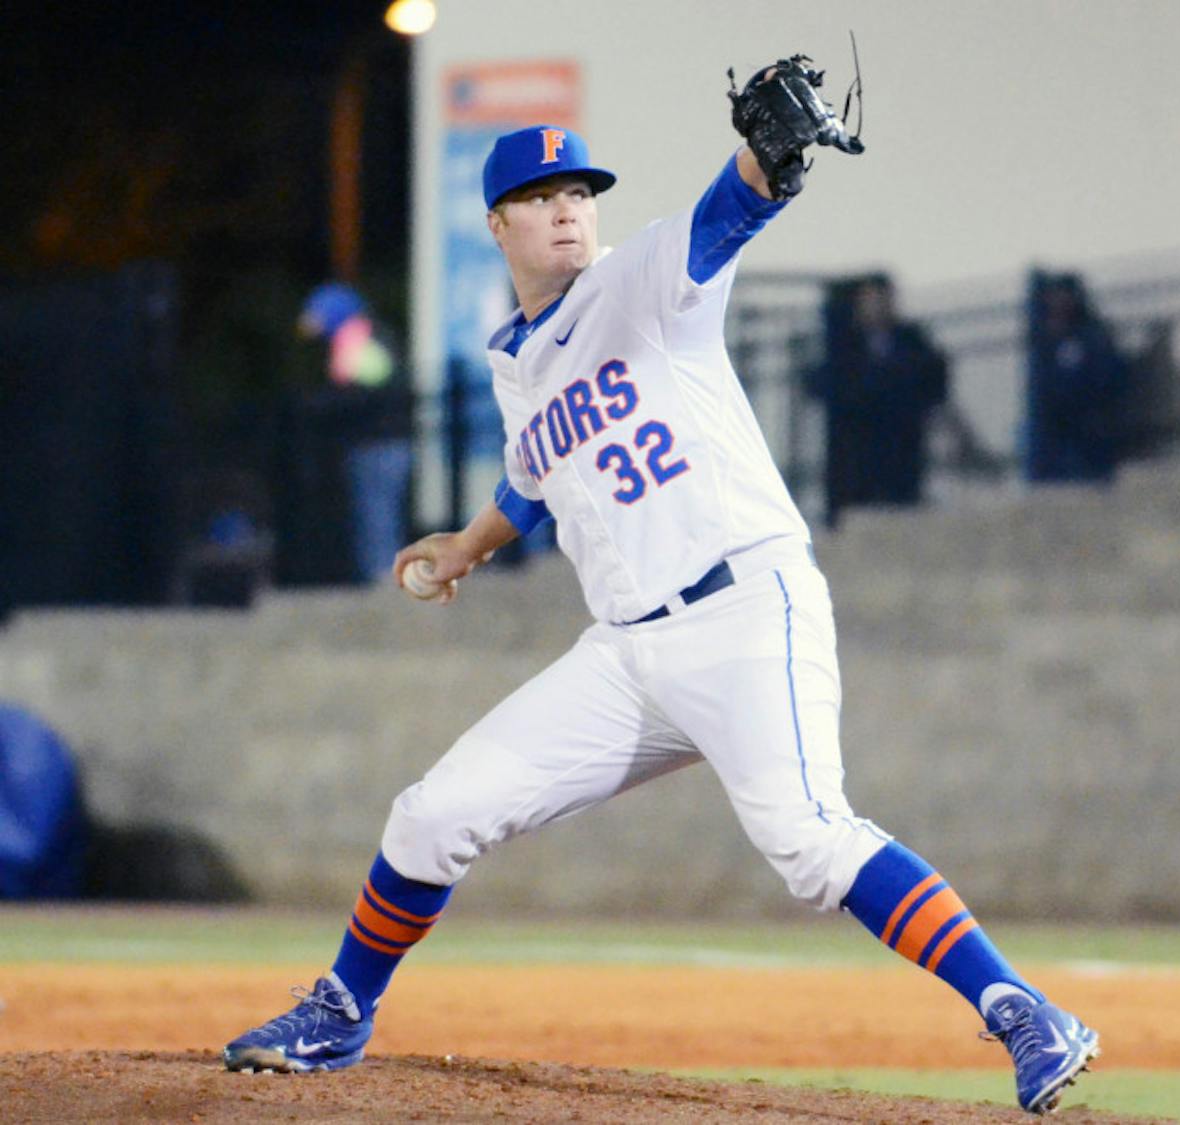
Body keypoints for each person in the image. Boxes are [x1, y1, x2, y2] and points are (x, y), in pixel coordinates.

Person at [224, 70, 1099, 1116]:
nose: (567, 212)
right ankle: (340, 1012)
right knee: (431, 816)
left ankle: (1020, 1008)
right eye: (544, 199)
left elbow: (729, 212)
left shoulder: (639, 281)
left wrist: (771, 160)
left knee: (810, 842)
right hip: (628, 655)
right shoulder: (516, 360)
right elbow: (537, 472)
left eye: (580, 195)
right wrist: (472, 541)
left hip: (742, 611)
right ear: (498, 224)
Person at [809, 274, 979, 528]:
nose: (879, 306)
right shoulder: (845, 345)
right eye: (871, 300)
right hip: (859, 446)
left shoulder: (911, 339)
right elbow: (827, 384)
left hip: (901, 441)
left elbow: (932, 378)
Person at [298, 282, 412, 583]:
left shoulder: (357, 341)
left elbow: (363, 392)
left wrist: (325, 404)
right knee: (378, 515)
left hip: (377, 446)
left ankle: (384, 579)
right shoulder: (367, 337)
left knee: (377, 516)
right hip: (384, 444)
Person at [1023, 273, 1129, 485]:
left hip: (1087, 426)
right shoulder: (1044, 339)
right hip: (1054, 430)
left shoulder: (1091, 335)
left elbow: (1107, 375)